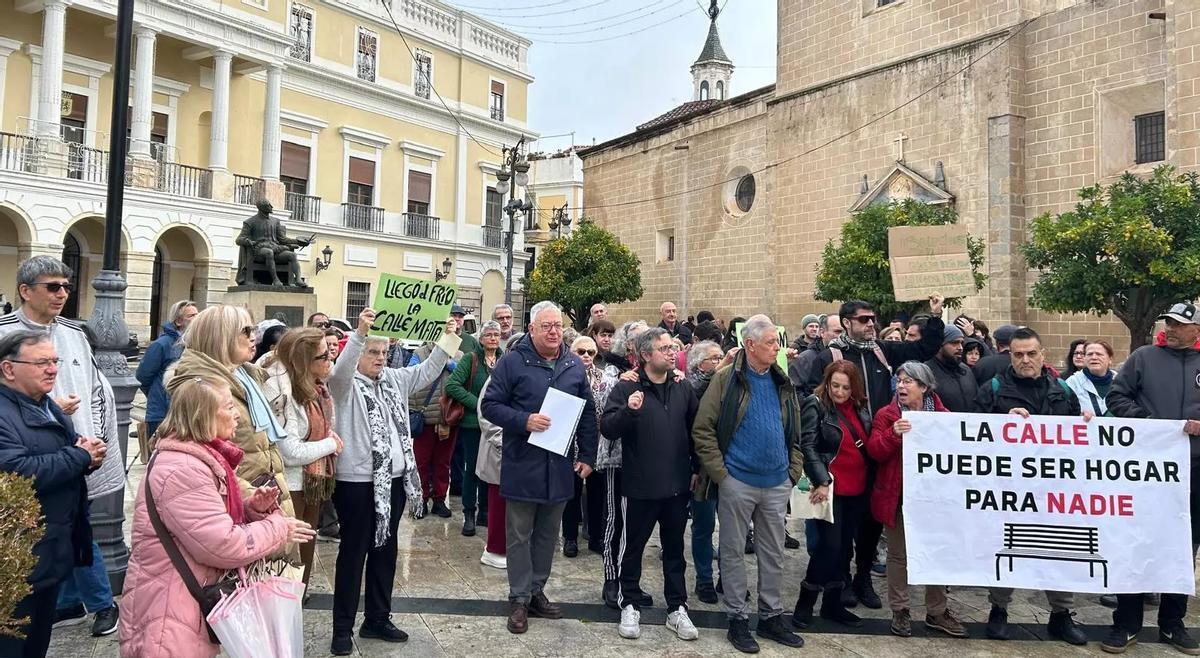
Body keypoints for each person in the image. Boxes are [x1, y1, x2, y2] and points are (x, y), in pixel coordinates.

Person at [118, 377, 314, 658]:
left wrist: (249, 509)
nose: (236, 414)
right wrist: (277, 528)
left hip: (180, 602)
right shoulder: (183, 469)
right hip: (169, 613)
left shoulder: (198, 457)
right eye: (228, 406)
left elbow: (203, 520)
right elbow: (222, 545)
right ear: (203, 415)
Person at [326, 307, 460, 654]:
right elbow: (341, 369)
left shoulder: (395, 380)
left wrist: (448, 335)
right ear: (357, 354)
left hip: (395, 480)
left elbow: (430, 370)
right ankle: (342, 628)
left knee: (385, 550)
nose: (380, 358)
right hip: (357, 482)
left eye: (384, 352)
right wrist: (359, 334)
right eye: (373, 352)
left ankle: (377, 618)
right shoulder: (342, 385)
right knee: (354, 553)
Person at [0, 256, 121, 637]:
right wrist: (51, 409)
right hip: (25, 456)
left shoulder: (75, 333)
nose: (63, 294)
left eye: (66, 286)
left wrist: (94, 436)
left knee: (73, 526)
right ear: (25, 290)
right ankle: (89, 603)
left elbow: (99, 392)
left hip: (75, 453)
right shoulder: (4, 332)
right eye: (53, 287)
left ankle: (80, 603)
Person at [804, 295, 946, 610]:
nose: (872, 324)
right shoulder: (827, 356)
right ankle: (839, 583)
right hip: (842, 455)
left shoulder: (882, 352)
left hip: (878, 452)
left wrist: (934, 316)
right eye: (864, 319)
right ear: (846, 323)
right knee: (839, 527)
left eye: (873, 319)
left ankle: (863, 578)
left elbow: (922, 351)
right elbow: (808, 394)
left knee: (870, 524)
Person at [480, 301, 598, 635]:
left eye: (557, 325)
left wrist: (588, 455)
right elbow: (490, 405)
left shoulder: (573, 364)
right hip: (523, 464)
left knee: (548, 535)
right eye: (546, 326)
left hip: (559, 466)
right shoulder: (513, 362)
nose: (553, 331)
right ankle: (518, 598)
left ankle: (536, 591)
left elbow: (587, 412)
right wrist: (524, 420)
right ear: (531, 328)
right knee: (519, 535)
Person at [693, 315, 805, 653]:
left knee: (773, 553)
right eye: (771, 342)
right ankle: (738, 619)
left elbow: (796, 433)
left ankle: (771, 616)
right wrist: (723, 476)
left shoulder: (781, 381)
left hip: (776, 483)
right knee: (732, 550)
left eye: (778, 342)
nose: (777, 348)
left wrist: (791, 473)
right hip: (737, 481)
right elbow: (703, 429)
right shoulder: (726, 379)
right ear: (750, 344)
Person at [973, 327, 1088, 645]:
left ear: (1043, 354)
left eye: (1031, 353)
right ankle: (998, 611)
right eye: (1018, 354)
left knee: (1059, 549)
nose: (1025, 359)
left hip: (1053, 490)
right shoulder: (993, 390)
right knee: (1006, 547)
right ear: (1009, 355)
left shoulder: (1063, 390)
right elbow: (969, 436)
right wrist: (1001, 422)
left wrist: (1089, 425)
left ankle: (1061, 616)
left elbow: (1079, 441)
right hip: (1007, 489)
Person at [0, 330, 105, 658]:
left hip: (49, 550)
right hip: (16, 558)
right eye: (42, 362)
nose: (52, 369)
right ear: (8, 369)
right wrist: (79, 457)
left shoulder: (46, 405)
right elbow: (15, 471)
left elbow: (48, 452)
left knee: (36, 644)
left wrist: (83, 453)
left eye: (54, 361)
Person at [1103, 302, 1200, 655]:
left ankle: (1172, 625)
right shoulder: (1144, 357)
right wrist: (1149, 424)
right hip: (1148, 473)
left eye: (1179, 325)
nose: (1171, 329)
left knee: (1183, 552)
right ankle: (1125, 623)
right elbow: (1116, 396)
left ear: (1196, 330)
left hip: (1194, 474)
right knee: (1137, 544)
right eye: (1169, 323)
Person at [602, 328, 700, 641]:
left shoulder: (683, 387)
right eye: (664, 349)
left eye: (673, 348)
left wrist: (696, 468)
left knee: (674, 551)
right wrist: (629, 411)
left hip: (676, 486)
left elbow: (696, 429)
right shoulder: (627, 386)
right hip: (640, 486)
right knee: (632, 549)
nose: (672, 353)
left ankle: (677, 608)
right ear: (646, 355)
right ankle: (629, 602)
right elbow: (608, 428)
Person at [866, 361, 967, 639]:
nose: (901, 386)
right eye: (899, 381)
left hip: (933, 500)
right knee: (898, 556)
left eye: (908, 381)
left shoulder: (943, 416)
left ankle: (937, 611)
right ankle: (900, 610)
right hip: (898, 498)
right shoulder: (887, 415)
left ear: (924, 387)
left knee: (935, 553)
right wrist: (892, 434)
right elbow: (875, 450)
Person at [167, 305, 293, 512]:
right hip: (240, 505)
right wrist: (251, 499)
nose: (254, 337)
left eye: (253, 330)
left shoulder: (245, 377)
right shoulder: (203, 388)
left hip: (264, 495)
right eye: (245, 331)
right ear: (220, 336)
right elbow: (202, 459)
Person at [261, 328, 343, 591]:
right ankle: (286, 612)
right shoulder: (281, 387)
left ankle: (295, 604)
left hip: (311, 483)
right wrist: (330, 444)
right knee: (289, 562)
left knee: (303, 559)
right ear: (304, 361)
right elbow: (291, 451)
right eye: (323, 356)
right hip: (290, 487)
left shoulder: (315, 387)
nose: (329, 360)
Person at [793, 360, 872, 629]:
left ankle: (832, 603)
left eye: (845, 387)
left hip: (857, 488)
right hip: (830, 489)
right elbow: (807, 444)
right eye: (834, 385)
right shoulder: (815, 404)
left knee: (844, 550)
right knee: (829, 547)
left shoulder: (860, 408)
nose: (839, 392)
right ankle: (805, 602)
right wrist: (821, 479)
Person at [685, 339, 735, 604]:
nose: (719, 362)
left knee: (731, 527)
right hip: (703, 468)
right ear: (698, 363)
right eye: (713, 359)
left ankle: (727, 577)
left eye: (720, 357)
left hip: (731, 465)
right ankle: (703, 579)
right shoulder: (690, 386)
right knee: (703, 525)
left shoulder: (731, 381)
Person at [446, 320, 503, 537]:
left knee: (490, 469)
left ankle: (485, 511)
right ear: (481, 338)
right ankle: (469, 513)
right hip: (472, 423)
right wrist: (477, 403)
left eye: (496, 335)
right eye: (488, 334)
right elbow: (452, 385)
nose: (493, 338)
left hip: (495, 425)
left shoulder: (503, 359)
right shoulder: (471, 359)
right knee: (472, 469)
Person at [560, 336, 608, 559]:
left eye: (591, 352)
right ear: (572, 352)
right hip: (571, 442)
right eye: (581, 351)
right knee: (572, 492)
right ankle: (570, 537)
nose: (586, 356)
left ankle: (596, 536)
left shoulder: (604, 378)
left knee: (598, 493)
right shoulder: (564, 375)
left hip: (596, 444)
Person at [408, 341, 459, 519]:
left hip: (448, 417)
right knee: (421, 462)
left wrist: (451, 364)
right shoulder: (420, 353)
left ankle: (439, 499)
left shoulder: (457, 354)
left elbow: (465, 377)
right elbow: (411, 374)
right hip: (426, 416)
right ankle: (420, 499)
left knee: (443, 462)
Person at [136, 299, 198, 439]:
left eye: (197, 314)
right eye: (191, 316)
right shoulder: (161, 345)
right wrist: (159, 392)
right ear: (178, 321)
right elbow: (142, 376)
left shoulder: (193, 344)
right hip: (161, 413)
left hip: (185, 413)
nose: (196, 318)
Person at [475, 378, 507, 568]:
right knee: (499, 502)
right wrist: (503, 440)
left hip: (524, 452)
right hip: (500, 449)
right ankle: (495, 549)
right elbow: (485, 414)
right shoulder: (498, 376)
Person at [924, 325, 976, 413]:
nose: (960, 348)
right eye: (954, 343)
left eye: (961, 343)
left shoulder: (966, 370)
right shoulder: (926, 371)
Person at [790, 314, 842, 397]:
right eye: (837, 331)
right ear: (822, 332)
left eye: (844, 331)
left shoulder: (850, 354)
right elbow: (795, 393)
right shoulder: (804, 358)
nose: (842, 336)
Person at [1065, 340, 1117, 417]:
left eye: (1099, 354)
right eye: (1089, 354)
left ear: (1110, 359)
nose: (1094, 357)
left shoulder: (1121, 382)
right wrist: (1077, 415)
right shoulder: (1072, 382)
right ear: (1085, 359)